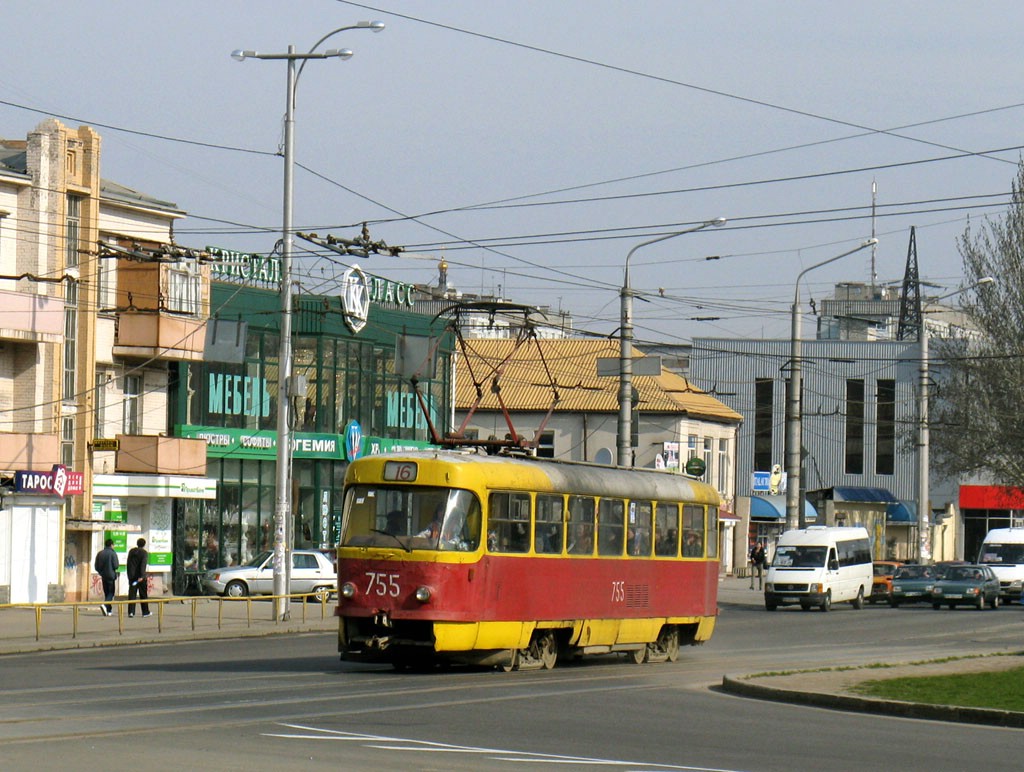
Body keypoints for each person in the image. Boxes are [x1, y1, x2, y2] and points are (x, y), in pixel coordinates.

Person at [127, 537, 151, 618]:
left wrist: (129, 575)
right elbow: (143, 565)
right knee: (143, 594)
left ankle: (131, 612)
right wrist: (142, 576)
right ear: (144, 544)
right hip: (140, 578)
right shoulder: (144, 553)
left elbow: (128, 564)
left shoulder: (131, 551)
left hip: (132, 576)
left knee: (132, 594)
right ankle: (145, 612)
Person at [94, 538, 119, 616]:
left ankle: (108, 610)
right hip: (111, 576)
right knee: (111, 593)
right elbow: (116, 565)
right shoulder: (113, 553)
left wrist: (101, 572)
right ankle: (105, 605)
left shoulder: (100, 553)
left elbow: (96, 566)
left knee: (107, 593)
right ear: (111, 545)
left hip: (103, 576)